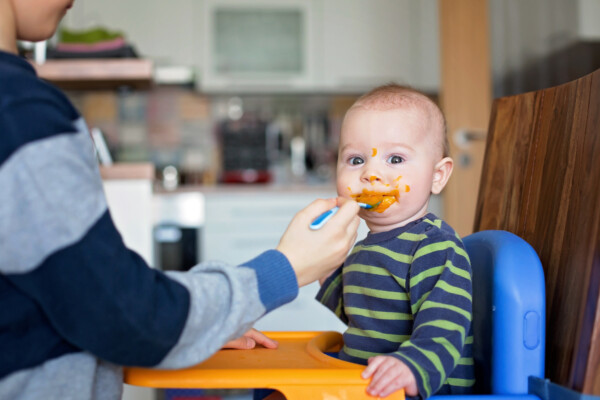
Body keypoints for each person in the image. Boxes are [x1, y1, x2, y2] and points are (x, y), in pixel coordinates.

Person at [0, 0, 361, 399]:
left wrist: (203, 324)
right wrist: (286, 268)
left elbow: (87, 299)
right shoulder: (22, 114)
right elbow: (127, 318)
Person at [316, 84, 475, 399]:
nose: (372, 173)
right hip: (365, 385)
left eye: (396, 159)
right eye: (356, 160)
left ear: (437, 175)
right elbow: (363, 318)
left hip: (420, 390)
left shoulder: (434, 246)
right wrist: (326, 273)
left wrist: (413, 367)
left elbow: (445, 327)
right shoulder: (363, 249)